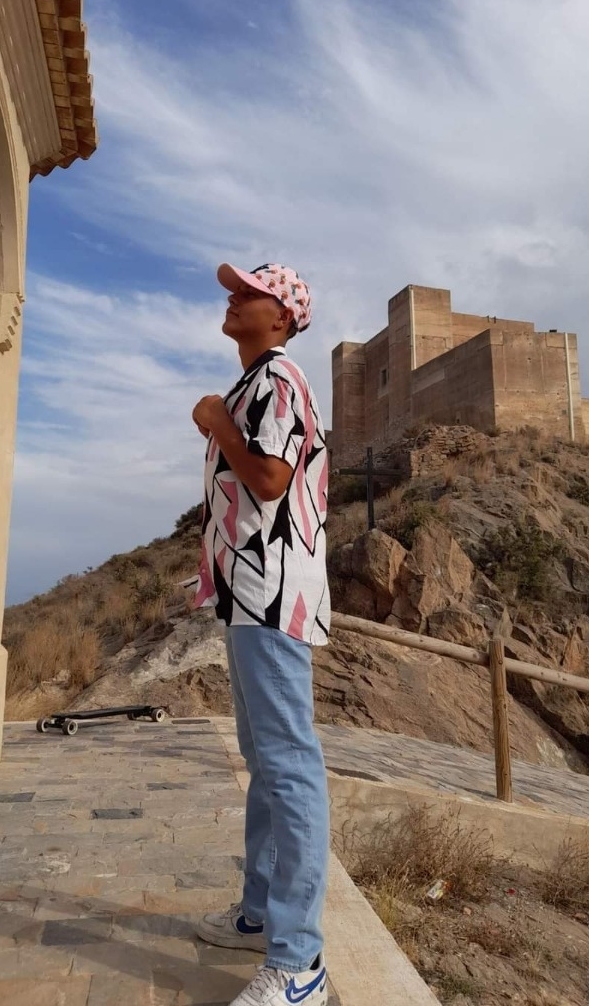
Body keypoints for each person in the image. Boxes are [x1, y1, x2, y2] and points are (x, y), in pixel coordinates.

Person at [191, 262, 330, 1006]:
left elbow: (271, 482)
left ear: (280, 317)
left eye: (248, 292)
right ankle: (258, 915)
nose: (233, 298)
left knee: (289, 766)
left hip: (273, 596)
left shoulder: (278, 379)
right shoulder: (254, 384)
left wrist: (218, 424)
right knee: (267, 762)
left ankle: (299, 961)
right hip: (249, 595)